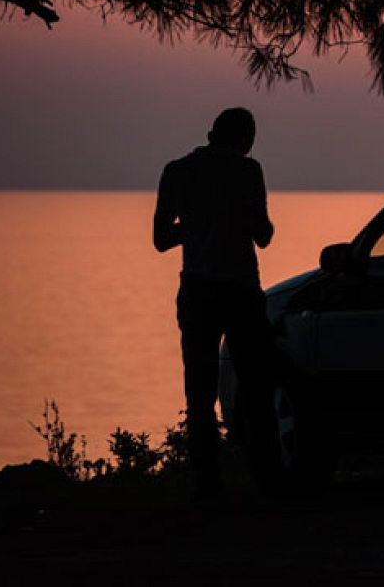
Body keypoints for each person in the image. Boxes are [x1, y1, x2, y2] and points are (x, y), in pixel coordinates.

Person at [153, 107, 276, 497]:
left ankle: (208, 482)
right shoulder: (247, 171)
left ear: (211, 134)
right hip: (240, 290)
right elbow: (264, 235)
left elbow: (160, 239)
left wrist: (194, 226)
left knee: (200, 389)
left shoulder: (177, 171)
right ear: (243, 139)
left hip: (198, 291)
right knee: (256, 386)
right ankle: (268, 476)